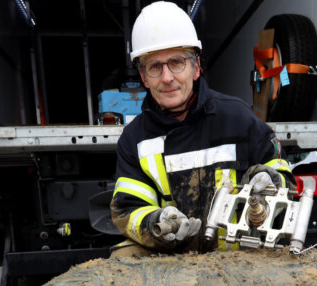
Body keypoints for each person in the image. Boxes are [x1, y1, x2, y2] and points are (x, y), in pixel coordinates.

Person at [110, 1, 294, 256]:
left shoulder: (237, 117)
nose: (167, 78)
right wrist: (156, 223)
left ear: (196, 68)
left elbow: (282, 174)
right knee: (123, 258)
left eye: (176, 62)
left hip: (237, 253)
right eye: (155, 67)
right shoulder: (134, 140)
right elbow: (127, 209)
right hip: (168, 258)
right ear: (143, 77)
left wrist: (271, 180)